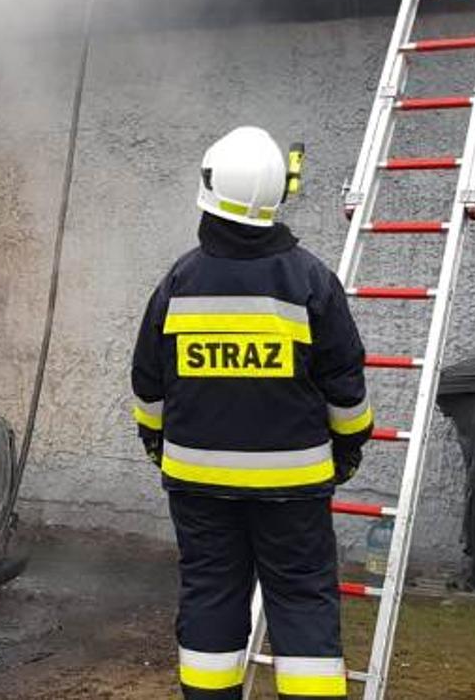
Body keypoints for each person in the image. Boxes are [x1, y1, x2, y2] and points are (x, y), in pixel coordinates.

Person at [130, 127, 373, 699]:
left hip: (197, 485)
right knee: (302, 599)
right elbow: (345, 384)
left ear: (209, 189)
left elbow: (147, 382)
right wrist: (349, 446)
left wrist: (156, 440)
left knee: (211, 596)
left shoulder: (178, 282)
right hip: (293, 487)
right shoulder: (311, 280)